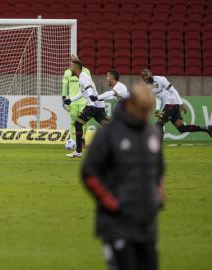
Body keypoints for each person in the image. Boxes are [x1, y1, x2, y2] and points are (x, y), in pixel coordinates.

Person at [81, 82, 165, 270]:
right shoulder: (108, 134)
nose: (145, 116)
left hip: (147, 225)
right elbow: (89, 173)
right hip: (116, 224)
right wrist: (111, 203)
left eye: (147, 111)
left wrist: (157, 199)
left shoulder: (152, 133)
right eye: (142, 110)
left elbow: (159, 171)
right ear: (130, 104)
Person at [141, 68, 212, 139]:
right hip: (169, 105)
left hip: (171, 103)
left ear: (150, 74)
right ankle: (206, 129)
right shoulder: (146, 87)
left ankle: (159, 145)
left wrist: (181, 103)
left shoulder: (160, 79)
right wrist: (157, 109)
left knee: (159, 124)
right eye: (144, 78)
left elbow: (173, 90)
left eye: (147, 76)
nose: (146, 78)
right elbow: (158, 97)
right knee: (182, 128)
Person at [63, 60, 109, 158]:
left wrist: (91, 104)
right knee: (108, 127)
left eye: (71, 66)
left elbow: (89, 89)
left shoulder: (83, 77)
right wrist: (71, 100)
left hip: (93, 106)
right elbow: (84, 93)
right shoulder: (82, 77)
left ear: (76, 67)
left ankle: (78, 151)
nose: (69, 67)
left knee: (78, 124)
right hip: (98, 106)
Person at [62, 54, 92, 146]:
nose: (71, 62)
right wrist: (63, 98)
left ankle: (82, 139)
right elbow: (64, 86)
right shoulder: (67, 72)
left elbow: (90, 84)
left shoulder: (86, 71)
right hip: (72, 101)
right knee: (73, 120)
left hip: (84, 100)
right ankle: (72, 140)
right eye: (71, 60)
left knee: (83, 121)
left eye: (74, 60)